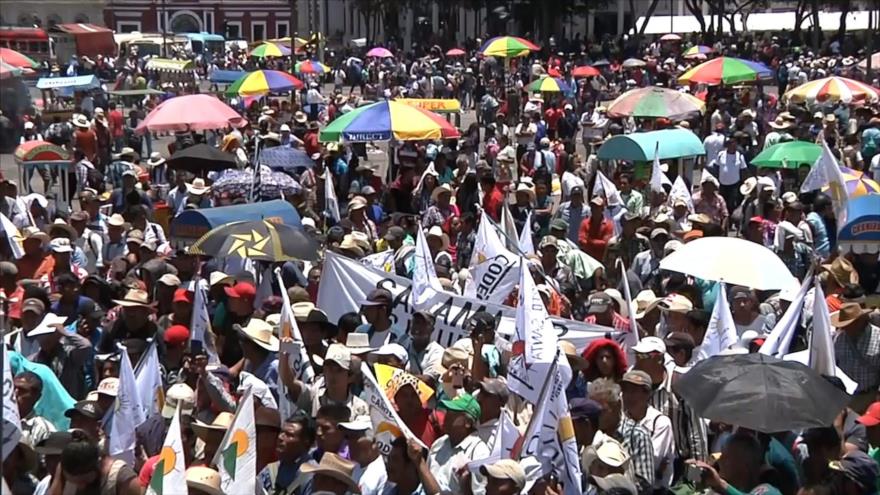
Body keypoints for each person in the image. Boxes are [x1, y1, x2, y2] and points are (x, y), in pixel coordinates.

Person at [427, 393, 490, 495]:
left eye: (452, 414)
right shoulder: (439, 444)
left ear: (468, 422)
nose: (445, 418)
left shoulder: (478, 453)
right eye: (447, 412)